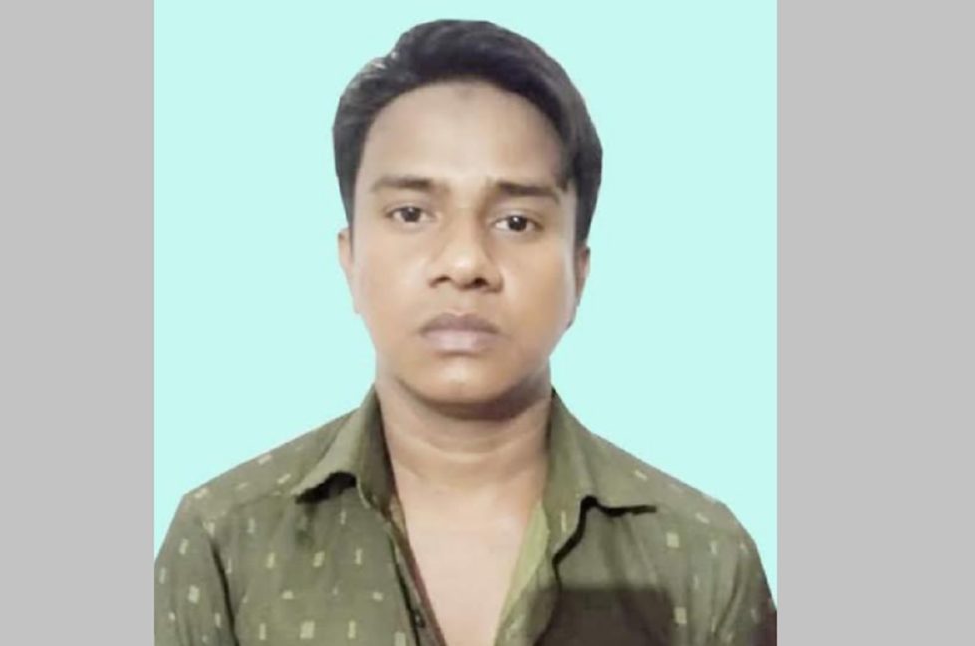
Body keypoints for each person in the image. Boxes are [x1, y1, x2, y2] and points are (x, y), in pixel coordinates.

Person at [155, 18, 776, 646]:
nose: (464, 262)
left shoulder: (701, 561)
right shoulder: (223, 542)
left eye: (516, 222)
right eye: (411, 213)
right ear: (350, 258)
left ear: (578, 273)